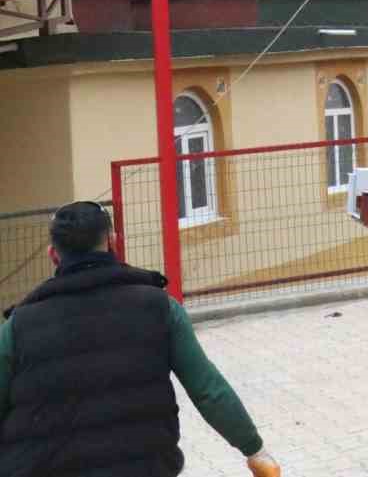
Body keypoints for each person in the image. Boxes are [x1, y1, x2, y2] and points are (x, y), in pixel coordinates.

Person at [0, 201, 280, 477]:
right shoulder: (160, 307)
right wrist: (254, 451)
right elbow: (208, 390)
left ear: (53, 255)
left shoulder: (17, 327)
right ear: (113, 242)